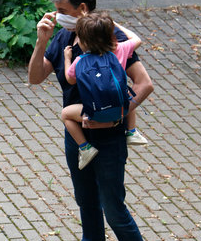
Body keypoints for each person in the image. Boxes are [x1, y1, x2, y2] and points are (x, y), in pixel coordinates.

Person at [28, 0, 155, 241]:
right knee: (85, 196)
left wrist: (116, 115)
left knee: (114, 209)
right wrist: (41, 42)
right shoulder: (63, 38)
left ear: (82, 9)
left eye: (62, 10)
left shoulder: (110, 38)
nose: (57, 16)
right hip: (78, 136)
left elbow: (143, 84)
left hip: (110, 139)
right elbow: (35, 78)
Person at [61, 11, 146, 170]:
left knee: (65, 114)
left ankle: (85, 148)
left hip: (93, 114)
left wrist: (67, 58)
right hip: (120, 111)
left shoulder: (80, 61)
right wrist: (116, 25)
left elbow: (70, 78)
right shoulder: (120, 49)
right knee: (125, 91)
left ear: (83, 42)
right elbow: (137, 39)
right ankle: (132, 131)